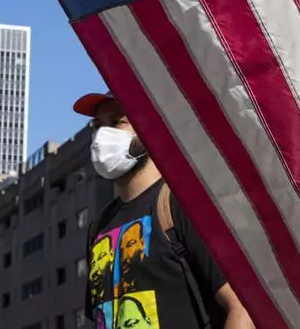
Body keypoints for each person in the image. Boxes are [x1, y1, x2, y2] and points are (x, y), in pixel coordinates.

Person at [76, 92, 254, 329]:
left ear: (151, 128)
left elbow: (242, 309)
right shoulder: (98, 227)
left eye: (117, 122)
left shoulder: (184, 205)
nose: (102, 137)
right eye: (98, 126)